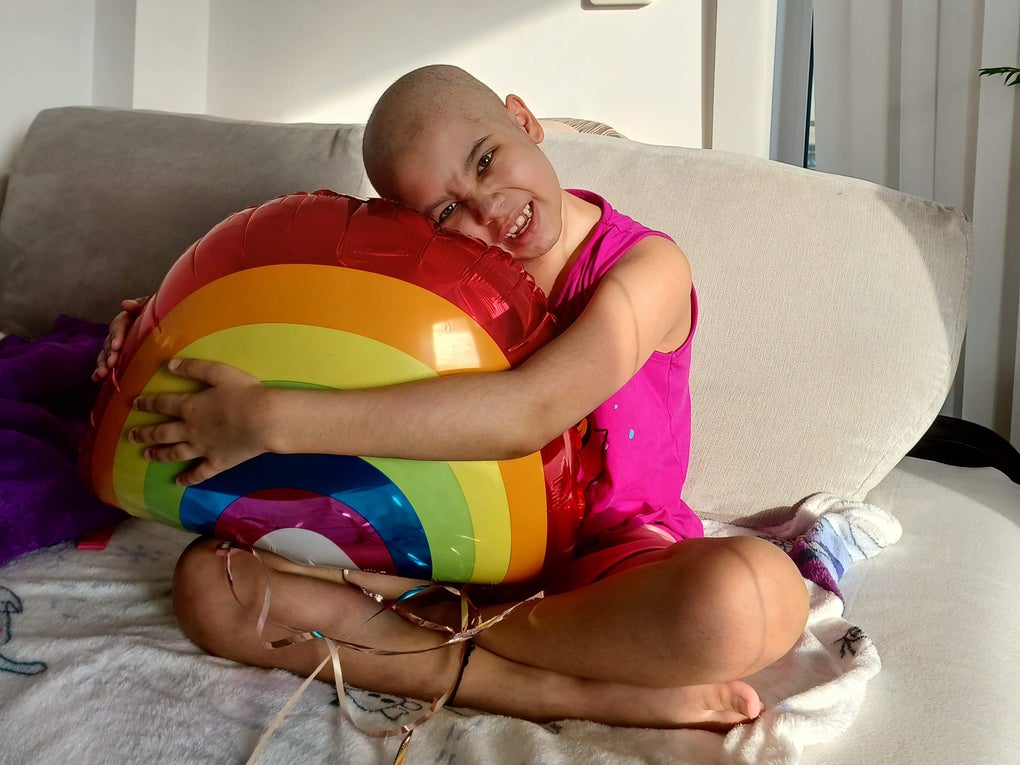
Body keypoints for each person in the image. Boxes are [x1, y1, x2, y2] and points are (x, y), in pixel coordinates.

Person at [94, 64, 809, 730]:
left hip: (610, 568)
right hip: (445, 559)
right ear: (408, 228)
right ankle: (555, 688)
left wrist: (269, 419)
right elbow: (289, 336)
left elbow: (529, 412)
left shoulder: (647, 267)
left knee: (749, 600)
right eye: (445, 214)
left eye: (487, 159)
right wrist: (155, 333)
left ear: (524, 120)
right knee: (208, 588)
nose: (489, 208)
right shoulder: (419, 289)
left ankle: (488, 640)